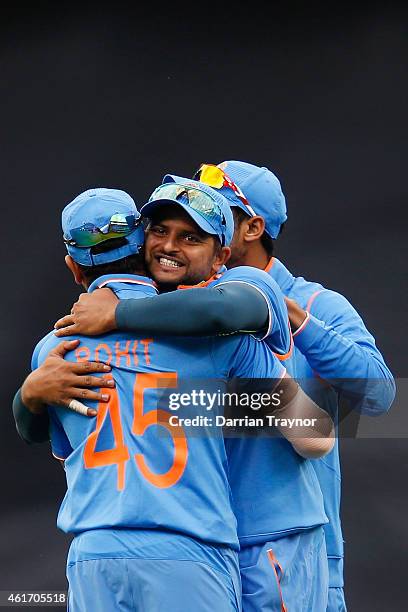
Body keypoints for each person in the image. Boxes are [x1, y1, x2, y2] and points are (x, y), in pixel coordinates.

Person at [51, 162, 396, 612]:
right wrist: (35, 392)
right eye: (160, 228)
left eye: (197, 230)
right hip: (203, 544)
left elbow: (366, 404)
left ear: (240, 234)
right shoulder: (164, 309)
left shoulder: (278, 298)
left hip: (274, 537)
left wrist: (294, 318)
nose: (170, 243)